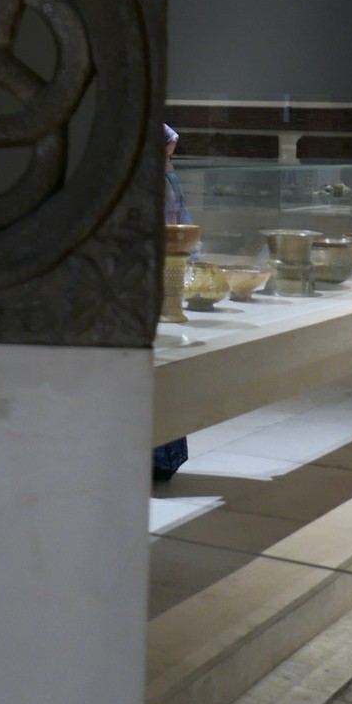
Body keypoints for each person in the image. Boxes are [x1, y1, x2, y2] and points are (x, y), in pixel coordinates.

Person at [153, 123, 191, 482]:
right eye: (165, 156)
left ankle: (162, 458)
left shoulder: (168, 180)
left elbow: (184, 229)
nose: (170, 163)